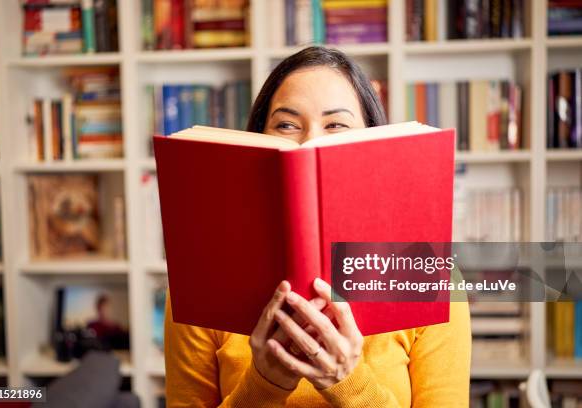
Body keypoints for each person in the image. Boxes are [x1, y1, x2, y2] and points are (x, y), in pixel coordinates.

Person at [164, 46, 471, 407]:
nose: (310, 143)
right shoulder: (201, 284)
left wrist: (346, 380)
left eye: (336, 125)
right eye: (286, 124)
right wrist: (264, 384)